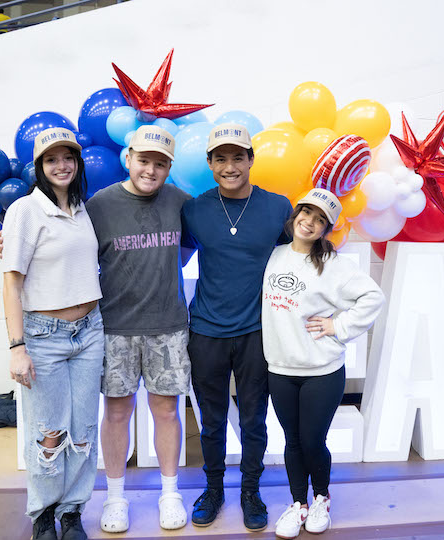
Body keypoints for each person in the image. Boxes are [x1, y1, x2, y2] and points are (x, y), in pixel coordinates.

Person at [181, 123, 293, 531]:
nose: (230, 166)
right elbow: (155, 240)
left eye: (238, 157)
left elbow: (305, 251)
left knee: (253, 419)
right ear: (210, 163)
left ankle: (250, 490)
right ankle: (213, 489)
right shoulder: (193, 209)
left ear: (250, 159)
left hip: (256, 332)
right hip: (206, 331)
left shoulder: (279, 207)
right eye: (221, 158)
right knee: (210, 420)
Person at [86, 125, 193, 533]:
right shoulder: (100, 205)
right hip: (116, 327)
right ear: (128, 158)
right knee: (116, 412)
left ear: (168, 167)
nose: (150, 169)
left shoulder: (181, 202)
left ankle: (170, 494)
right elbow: (67, 245)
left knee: (166, 411)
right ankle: (115, 499)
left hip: (168, 326)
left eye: (160, 163)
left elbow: (192, 249)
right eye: (144, 160)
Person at [264, 188, 384, 539]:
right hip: (280, 369)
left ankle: (321, 499)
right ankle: (297, 504)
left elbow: (373, 297)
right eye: (307, 213)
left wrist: (339, 326)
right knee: (292, 441)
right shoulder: (273, 257)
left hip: (322, 371)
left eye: (320, 220)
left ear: (326, 229)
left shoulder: (335, 266)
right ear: (295, 214)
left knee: (313, 440)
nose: (310, 223)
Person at [2, 127, 103, 540]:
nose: (61, 165)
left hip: (90, 331)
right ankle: (43, 514)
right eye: (51, 159)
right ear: (39, 167)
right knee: (49, 432)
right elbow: (11, 283)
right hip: (44, 335)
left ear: (76, 164)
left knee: (82, 431)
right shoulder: (26, 211)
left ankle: (72, 511)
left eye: (68, 158)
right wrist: (16, 347)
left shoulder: (83, 209)